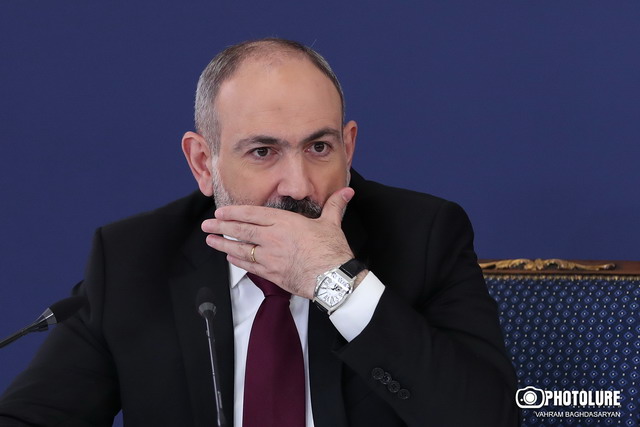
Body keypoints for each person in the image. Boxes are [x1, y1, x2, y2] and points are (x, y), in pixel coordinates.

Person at [0, 38, 518, 426]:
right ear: (203, 162)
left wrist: (338, 283)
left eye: (319, 147)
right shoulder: (134, 259)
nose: (298, 185)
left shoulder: (424, 236)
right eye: (263, 151)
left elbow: (489, 418)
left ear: (349, 147)